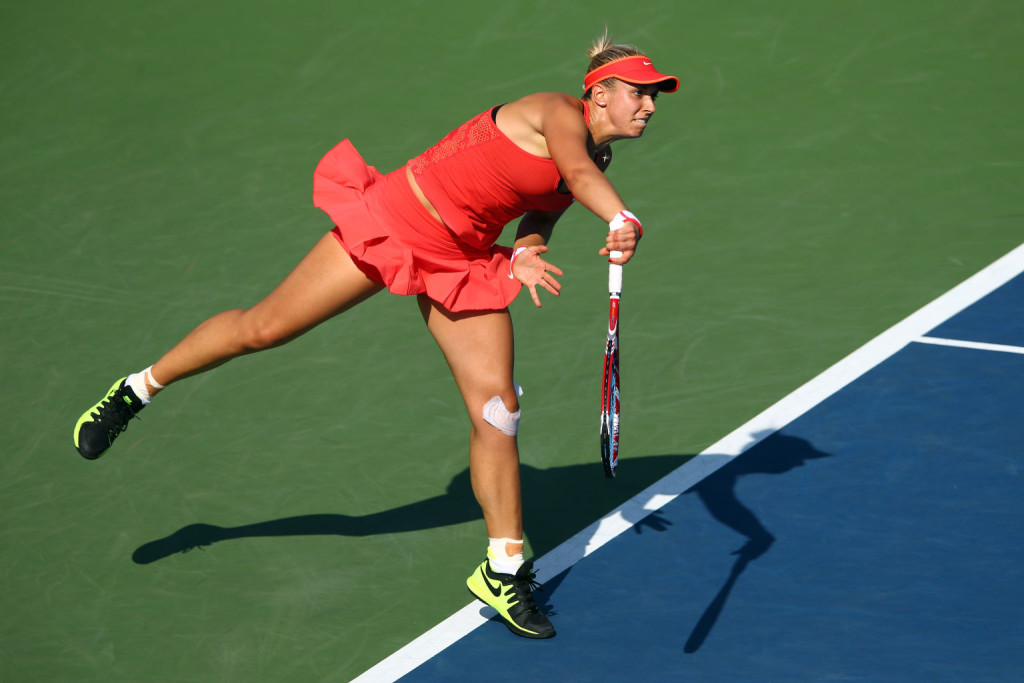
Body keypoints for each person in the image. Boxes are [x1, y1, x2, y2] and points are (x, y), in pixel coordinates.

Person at [73, 34, 678, 639]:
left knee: (498, 409)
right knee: (263, 330)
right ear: (598, 92)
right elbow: (569, 169)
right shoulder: (554, 111)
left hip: (459, 257)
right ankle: (137, 389)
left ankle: (503, 568)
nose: (649, 105)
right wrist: (621, 218)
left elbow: (545, 205)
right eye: (639, 92)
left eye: (653, 96)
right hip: (395, 220)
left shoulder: (597, 159)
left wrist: (525, 250)